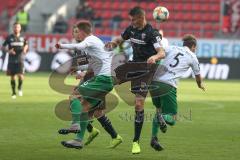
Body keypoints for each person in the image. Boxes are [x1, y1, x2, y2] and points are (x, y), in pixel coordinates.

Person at [105, 6, 166, 154]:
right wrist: (113, 43)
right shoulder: (131, 29)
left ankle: (136, 142)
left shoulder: (152, 33)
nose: (131, 22)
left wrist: (155, 57)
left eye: (133, 19)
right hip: (133, 64)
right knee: (108, 81)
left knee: (139, 104)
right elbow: (120, 38)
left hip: (146, 69)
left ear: (141, 18)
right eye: (130, 20)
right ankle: (94, 112)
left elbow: (162, 52)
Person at [55, 21, 122, 149]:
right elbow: (90, 64)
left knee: (75, 97)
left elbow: (79, 47)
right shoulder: (90, 46)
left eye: (76, 32)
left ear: (81, 31)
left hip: (101, 80)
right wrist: (80, 72)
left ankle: (75, 125)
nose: (75, 34)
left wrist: (62, 45)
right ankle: (78, 140)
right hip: (101, 80)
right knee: (85, 108)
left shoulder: (90, 40)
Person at [149, 34, 205, 151]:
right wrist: (200, 85)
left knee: (158, 109)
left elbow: (160, 54)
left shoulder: (172, 48)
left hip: (154, 82)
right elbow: (198, 77)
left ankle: (154, 138)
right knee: (172, 119)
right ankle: (162, 118)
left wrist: (154, 58)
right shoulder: (193, 57)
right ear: (193, 46)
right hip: (168, 85)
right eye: (195, 47)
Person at [2, 22, 28, 99]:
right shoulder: (9, 37)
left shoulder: (23, 37)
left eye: (18, 27)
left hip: (20, 59)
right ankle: (13, 92)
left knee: (21, 76)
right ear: (13, 28)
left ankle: (19, 88)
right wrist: (8, 51)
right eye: (15, 27)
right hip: (11, 60)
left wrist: (25, 49)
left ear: (20, 28)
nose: (16, 28)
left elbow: (26, 44)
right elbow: (3, 47)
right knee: (12, 77)